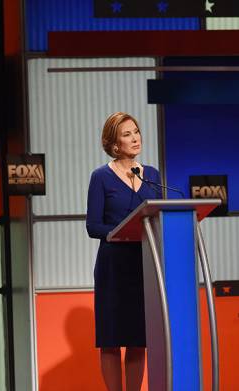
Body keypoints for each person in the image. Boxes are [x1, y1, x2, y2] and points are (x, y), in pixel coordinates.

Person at [86, 112, 161, 391]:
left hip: (143, 264)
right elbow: (93, 225)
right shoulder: (101, 177)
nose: (135, 137)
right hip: (113, 266)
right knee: (111, 337)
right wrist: (119, 231)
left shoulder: (151, 175)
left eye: (137, 131)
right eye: (127, 134)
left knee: (137, 337)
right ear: (114, 143)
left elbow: (159, 217)